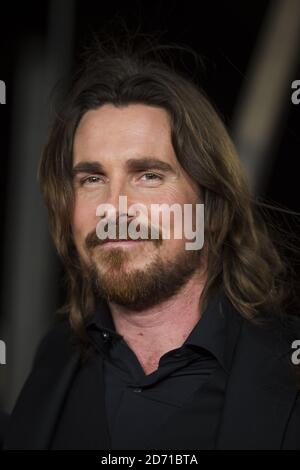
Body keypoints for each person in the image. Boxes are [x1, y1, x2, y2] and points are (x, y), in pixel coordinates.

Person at [3, 34, 300, 450]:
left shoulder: (287, 371)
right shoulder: (54, 360)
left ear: (210, 202)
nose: (115, 209)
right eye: (92, 179)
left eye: (148, 175)